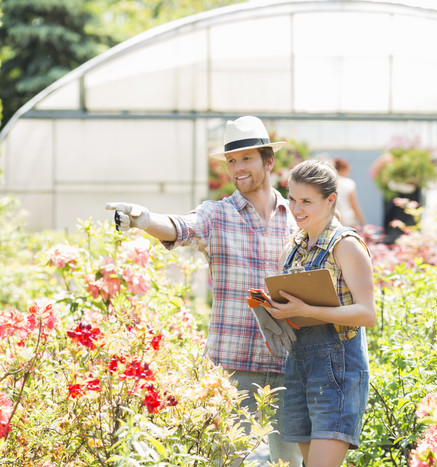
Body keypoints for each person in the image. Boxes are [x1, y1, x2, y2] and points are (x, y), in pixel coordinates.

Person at [105, 116, 303, 466]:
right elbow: (181, 228)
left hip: (289, 365)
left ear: (268, 161)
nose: (237, 168)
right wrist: (144, 219)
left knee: (290, 463)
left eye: (246, 159)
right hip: (231, 368)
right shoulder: (217, 215)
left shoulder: (296, 220)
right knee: (222, 460)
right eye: (231, 161)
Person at [264, 159, 376, 467]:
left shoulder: (346, 245)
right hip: (300, 367)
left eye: (306, 201)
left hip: (337, 369)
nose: (296, 209)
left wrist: (307, 309)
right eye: (293, 199)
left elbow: (367, 314)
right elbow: (296, 312)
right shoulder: (293, 248)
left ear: (330, 200)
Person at [332, 157, 366, 227]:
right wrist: (363, 223)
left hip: (334, 219)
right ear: (342, 169)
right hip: (348, 220)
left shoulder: (331, 182)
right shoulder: (349, 183)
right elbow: (354, 205)